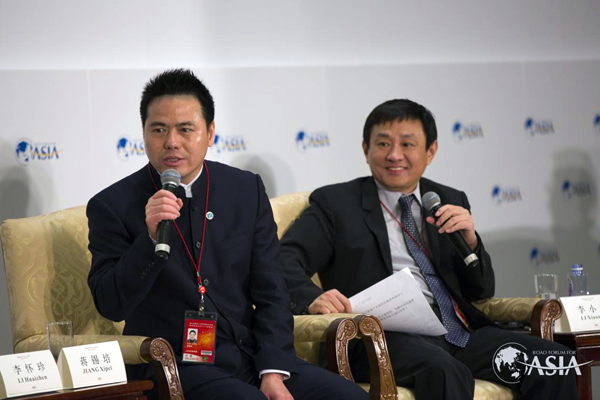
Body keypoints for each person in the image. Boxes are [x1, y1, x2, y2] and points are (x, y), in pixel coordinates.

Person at [87, 69, 368, 400]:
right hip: (176, 367)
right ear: (144, 133)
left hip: (250, 357)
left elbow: (272, 290)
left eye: (185, 129)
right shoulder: (112, 205)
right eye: (159, 129)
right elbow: (110, 304)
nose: (171, 142)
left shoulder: (244, 189)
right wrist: (148, 240)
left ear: (210, 133)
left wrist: (273, 370)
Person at [280, 99, 579, 399]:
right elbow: (283, 259)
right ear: (365, 149)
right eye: (383, 144)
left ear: (430, 151)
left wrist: (471, 242)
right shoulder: (336, 203)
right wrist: (312, 298)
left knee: (554, 362)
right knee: (444, 370)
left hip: (458, 334)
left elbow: (480, 291)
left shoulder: (449, 199)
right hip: (380, 339)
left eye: (407, 144)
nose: (394, 154)